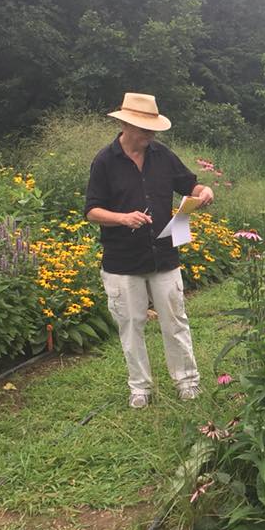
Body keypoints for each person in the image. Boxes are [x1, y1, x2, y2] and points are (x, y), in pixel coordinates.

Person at [84, 92, 214, 408]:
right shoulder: (104, 161)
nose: (150, 135)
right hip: (122, 260)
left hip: (164, 254)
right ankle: (140, 387)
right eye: (145, 129)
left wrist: (203, 191)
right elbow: (91, 211)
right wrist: (122, 218)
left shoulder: (162, 155)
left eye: (153, 129)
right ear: (127, 126)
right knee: (131, 324)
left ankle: (187, 382)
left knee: (175, 319)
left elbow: (189, 185)